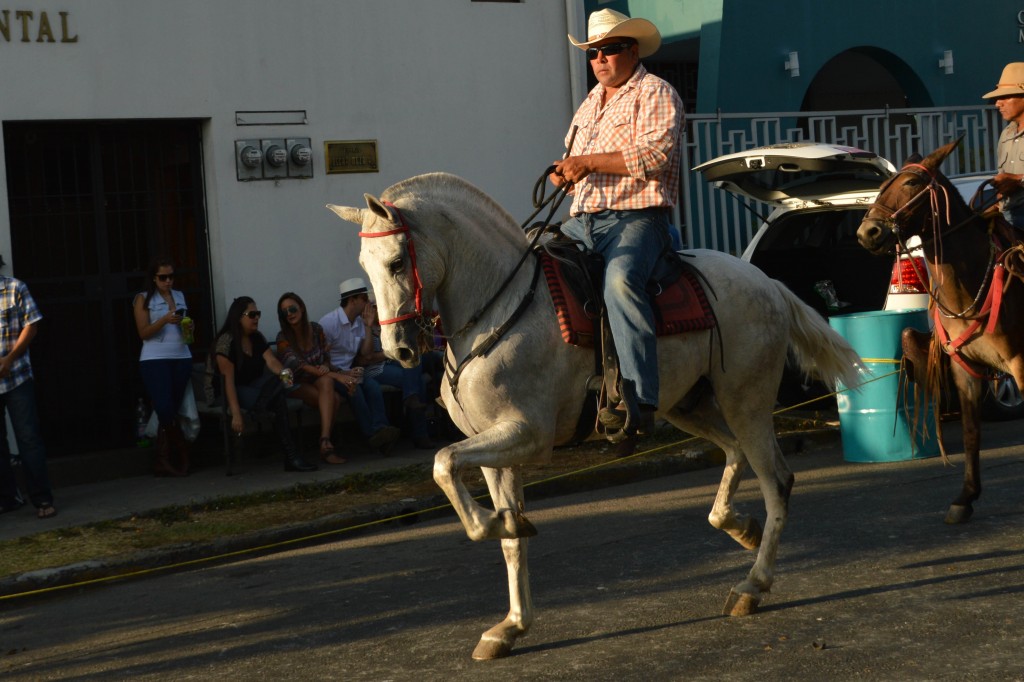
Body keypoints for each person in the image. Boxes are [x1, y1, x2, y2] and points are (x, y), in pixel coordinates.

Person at [549, 8, 684, 436]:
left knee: (621, 283)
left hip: (639, 217)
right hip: (583, 221)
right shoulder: (589, 104)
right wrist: (563, 173)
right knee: (532, 264)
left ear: (632, 50)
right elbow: (578, 169)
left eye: (608, 50)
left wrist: (586, 162)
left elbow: (655, 157)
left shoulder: (657, 92)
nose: (599, 59)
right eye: (593, 53)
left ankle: (640, 398)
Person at [213, 296, 317, 472]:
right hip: (229, 392)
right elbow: (227, 381)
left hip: (256, 388)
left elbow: (272, 361)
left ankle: (261, 410)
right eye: (252, 314)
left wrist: (285, 373)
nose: (256, 318)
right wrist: (236, 413)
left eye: (258, 314)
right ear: (239, 317)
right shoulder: (226, 342)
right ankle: (292, 458)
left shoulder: (256, 338)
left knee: (279, 385)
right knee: (278, 398)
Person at [275, 292, 362, 465]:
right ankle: (326, 446)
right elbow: (298, 365)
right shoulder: (282, 337)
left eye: (292, 308)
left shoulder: (316, 329)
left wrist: (331, 368)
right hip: (292, 381)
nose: (289, 313)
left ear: (301, 308)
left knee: (328, 383)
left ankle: (324, 440)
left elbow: (325, 358)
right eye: (284, 312)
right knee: (334, 399)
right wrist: (337, 375)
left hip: (316, 380)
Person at [0, 259, 55, 519]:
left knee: (28, 438)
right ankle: (8, 497)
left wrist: (9, 359)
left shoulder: (14, 288)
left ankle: (42, 499)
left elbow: (31, 325)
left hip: (17, 376)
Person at [319, 278, 400, 454]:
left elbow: (367, 353)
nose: (368, 303)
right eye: (364, 299)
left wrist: (368, 327)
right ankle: (372, 435)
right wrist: (342, 372)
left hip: (352, 372)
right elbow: (321, 359)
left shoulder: (359, 322)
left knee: (373, 388)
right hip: (333, 375)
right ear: (353, 300)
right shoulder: (329, 323)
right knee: (354, 390)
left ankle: (381, 429)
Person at [133, 256, 193, 477]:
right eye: (163, 277)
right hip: (154, 358)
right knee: (164, 407)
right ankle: (181, 451)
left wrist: (188, 326)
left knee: (171, 409)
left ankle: (163, 458)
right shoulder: (143, 299)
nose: (168, 281)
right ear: (154, 278)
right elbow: (143, 333)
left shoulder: (179, 296)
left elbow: (186, 334)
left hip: (181, 355)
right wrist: (164, 320)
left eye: (171, 276)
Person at [358, 302, 436, 450]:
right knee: (417, 380)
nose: (378, 310)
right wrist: (391, 352)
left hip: (393, 363)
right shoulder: (362, 328)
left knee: (414, 359)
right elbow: (366, 358)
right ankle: (420, 434)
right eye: (373, 307)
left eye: (378, 306)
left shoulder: (388, 326)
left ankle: (411, 399)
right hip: (376, 370)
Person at [984, 62, 1024, 228]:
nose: (998, 103)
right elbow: (1003, 177)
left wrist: (1017, 180)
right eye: (997, 98)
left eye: (1006, 97)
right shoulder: (1006, 134)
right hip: (1008, 215)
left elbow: (1013, 179)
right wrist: (994, 204)